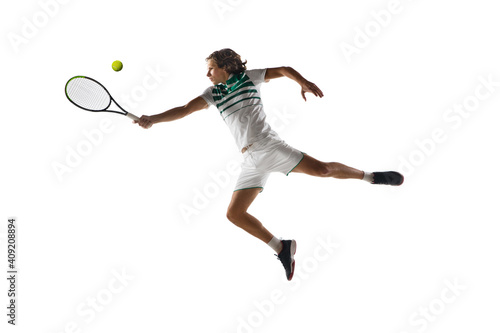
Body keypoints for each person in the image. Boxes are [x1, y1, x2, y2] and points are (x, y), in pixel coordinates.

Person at [135, 48, 404, 281]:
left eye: (211, 69)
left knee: (322, 170)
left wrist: (304, 82)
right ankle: (282, 247)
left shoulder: (248, 78)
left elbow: (284, 69)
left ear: (225, 67)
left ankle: (372, 176)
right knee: (234, 214)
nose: (208, 74)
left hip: (268, 146)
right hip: (250, 159)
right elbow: (184, 109)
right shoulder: (213, 93)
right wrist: (152, 119)